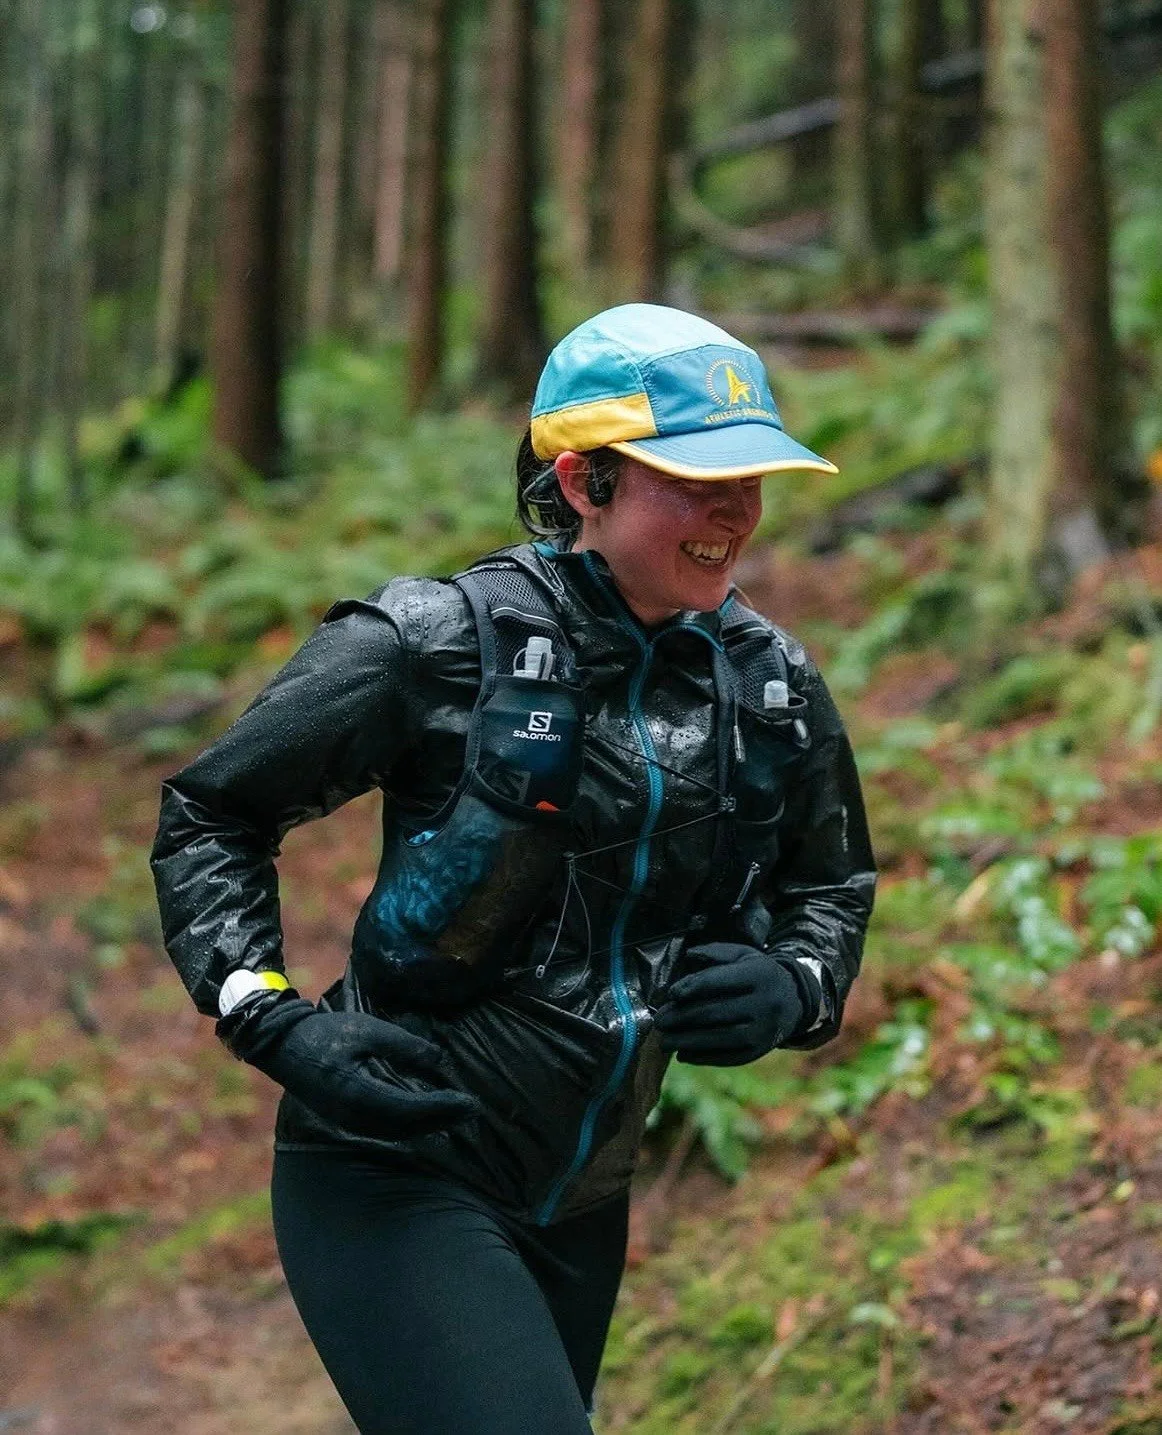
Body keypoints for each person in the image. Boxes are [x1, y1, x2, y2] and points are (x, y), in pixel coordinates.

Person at [150, 303, 875, 1435]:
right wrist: (271, 1016)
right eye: (696, 478)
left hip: (584, 1198)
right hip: (395, 1170)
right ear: (584, 482)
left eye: (753, 477)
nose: (735, 510)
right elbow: (211, 813)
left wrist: (798, 984)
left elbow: (828, 884)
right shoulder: (432, 641)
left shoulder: (765, 678)